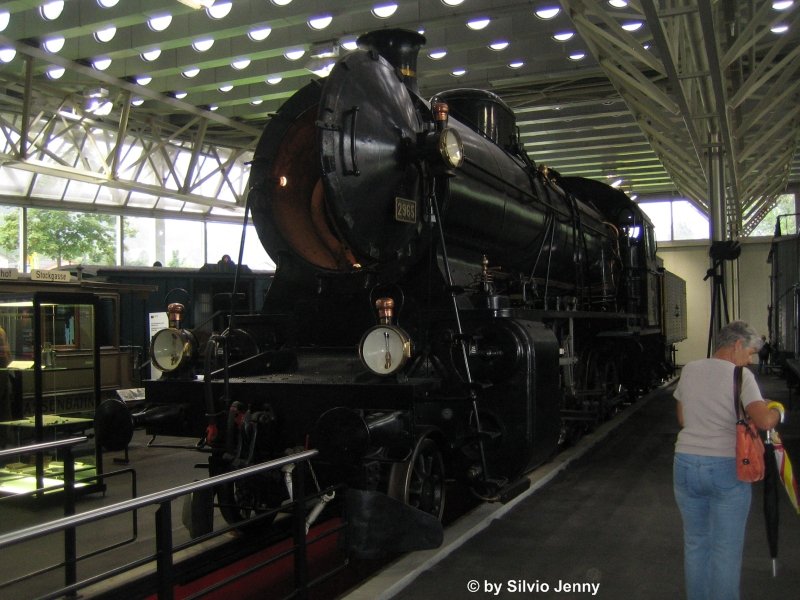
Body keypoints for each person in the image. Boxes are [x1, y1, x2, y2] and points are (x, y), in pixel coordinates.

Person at [673, 321, 783, 600]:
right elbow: (764, 421)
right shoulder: (740, 377)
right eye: (749, 353)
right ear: (736, 345)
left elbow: (684, 419)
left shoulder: (689, 370)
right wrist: (778, 410)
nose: (749, 360)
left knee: (696, 544)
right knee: (726, 550)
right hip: (725, 469)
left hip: (685, 465)